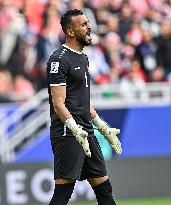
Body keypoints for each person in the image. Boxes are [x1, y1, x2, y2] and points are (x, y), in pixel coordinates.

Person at [47, 9, 122, 205]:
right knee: (64, 191)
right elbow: (58, 103)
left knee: (104, 188)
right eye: (83, 24)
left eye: (88, 23)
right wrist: (74, 128)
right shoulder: (59, 59)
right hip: (68, 133)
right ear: (70, 31)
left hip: (86, 131)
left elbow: (84, 102)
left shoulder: (83, 57)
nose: (89, 27)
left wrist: (103, 128)